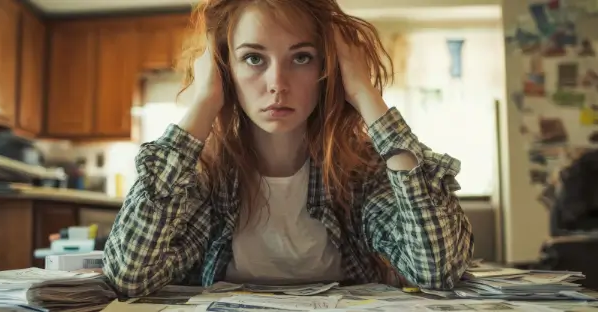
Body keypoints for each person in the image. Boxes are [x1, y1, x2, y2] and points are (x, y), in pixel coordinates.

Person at [103, 0, 474, 297]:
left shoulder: (361, 173)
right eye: (253, 58)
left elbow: (436, 271)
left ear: (328, 69)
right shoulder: (203, 178)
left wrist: (365, 93)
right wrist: (203, 103)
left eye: (301, 57)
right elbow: (129, 275)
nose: (277, 83)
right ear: (225, 70)